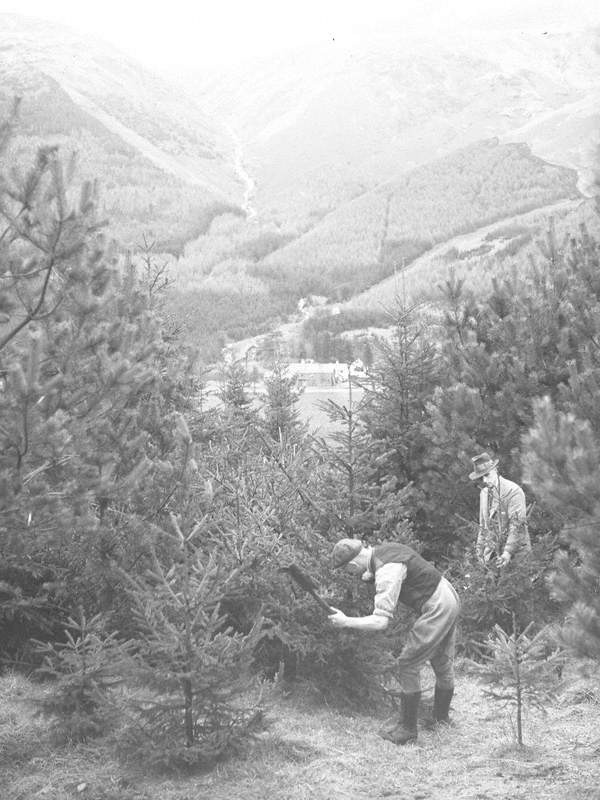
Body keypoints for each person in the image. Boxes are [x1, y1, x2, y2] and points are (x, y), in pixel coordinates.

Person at [328, 538, 460, 745]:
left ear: (352, 565)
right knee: (441, 661)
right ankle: (441, 720)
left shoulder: (387, 570)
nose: (351, 575)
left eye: (348, 570)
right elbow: (374, 571)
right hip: (447, 594)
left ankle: (407, 729)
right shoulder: (382, 552)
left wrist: (346, 621)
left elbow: (381, 621)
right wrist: (369, 574)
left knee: (408, 663)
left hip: (437, 605)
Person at [469, 452, 531, 568]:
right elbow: (483, 527)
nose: (485, 481)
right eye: (481, 477)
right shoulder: (484, 493)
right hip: (493, 558)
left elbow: (517, 525)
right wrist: (480, 554)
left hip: (516, 557)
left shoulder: (513, 491)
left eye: (487, 475)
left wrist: (507, 553)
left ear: (495, 470)